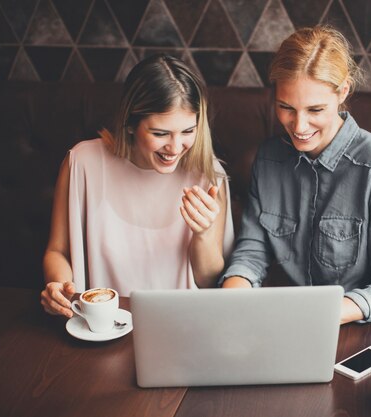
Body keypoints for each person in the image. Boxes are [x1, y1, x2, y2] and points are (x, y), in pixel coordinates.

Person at [221, 26, 371, 325]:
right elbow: (253, 251)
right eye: (286, 107)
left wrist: (315, 317)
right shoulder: (269, 158)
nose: (299, 126)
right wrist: (229, 301)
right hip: (312, 327)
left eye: (315, 109)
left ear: (343, 91)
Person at [41, 54, 233, 318]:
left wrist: (203, 234)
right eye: (160, 133)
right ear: (130, 124)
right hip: (101, 326)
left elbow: (208, 281)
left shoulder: (208, 175)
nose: (175, 148)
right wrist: (60, 287)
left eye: (188, 131)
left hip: (180, 326)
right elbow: (57, 251)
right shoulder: (82, 163)